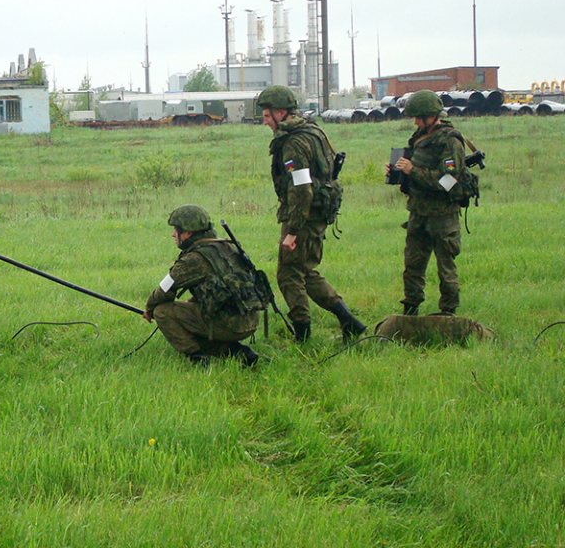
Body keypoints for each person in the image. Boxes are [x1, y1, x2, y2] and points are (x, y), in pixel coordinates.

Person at [257, 85, 366, 343]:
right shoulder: (313, 131)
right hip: (317, 213)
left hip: (304, 216)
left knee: (289, 274)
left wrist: (293, 230)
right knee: (307, 272)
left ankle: (303, 336)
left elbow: (301, 188)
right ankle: (349, 321)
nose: (264, 120)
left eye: (267, 115)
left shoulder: (294, 142)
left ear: (281, 112)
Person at [143, 204, 263, 367]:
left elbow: (165, 289)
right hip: (251, 319)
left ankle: (198, 359)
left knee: (162, 311)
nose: (173, 234)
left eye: (176, 230)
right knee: (191, 309)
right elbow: (219, 289)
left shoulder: (194, 259)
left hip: (231, 324)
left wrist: (149, 309)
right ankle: (238, 352)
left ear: (188, 233)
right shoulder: (228, 246)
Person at [386, 90, 466, 316]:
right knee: (413, 264)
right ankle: (411, 307)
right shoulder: (420, 136)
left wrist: (413, 171)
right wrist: (399, 172)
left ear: (432, 116)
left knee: (445, 267)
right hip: (418, 212)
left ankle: (448, 312)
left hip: (442, 215)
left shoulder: (450, 141)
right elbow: (414, 166)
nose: (415, 121)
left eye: (419, 117)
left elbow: (448, 181)